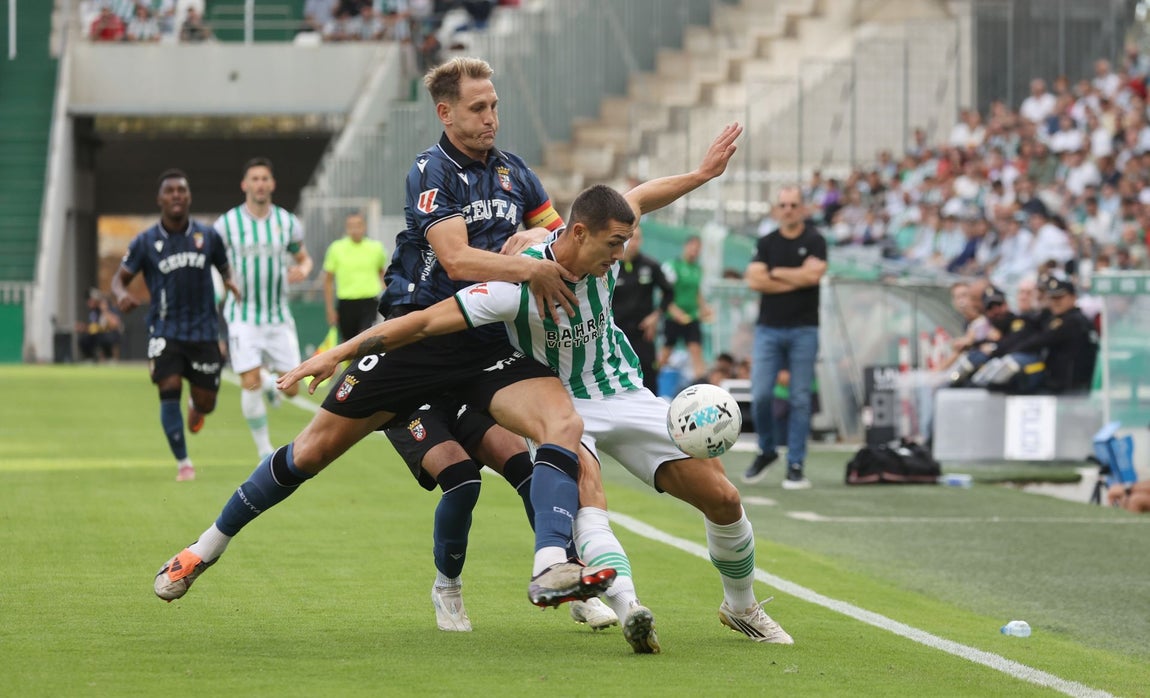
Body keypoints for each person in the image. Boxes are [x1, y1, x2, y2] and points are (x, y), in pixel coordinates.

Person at [282, 123, 795, 650]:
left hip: (624, 391)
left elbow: (641, 196)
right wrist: (336, 354)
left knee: (724, 498)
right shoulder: (514, 283)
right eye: (613, 244)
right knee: (589, 497)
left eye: (624, 241)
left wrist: (703, 174)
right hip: (557, 403)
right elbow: (418, 324)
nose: (620, 254)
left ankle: (741, 607)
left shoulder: (608, 231)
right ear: (579, 234)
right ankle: (632, 608)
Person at [153, 58, 617, 626]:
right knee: (311, 452)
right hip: (414, 340)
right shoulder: (430, 171)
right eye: (478, 107)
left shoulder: (516, 173)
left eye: (494, 105)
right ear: (446, 113)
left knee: (546, 441)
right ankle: (203, 549)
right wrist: (528, 269)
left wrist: (542, 235)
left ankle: (564, 576)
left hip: (486, 342)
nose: (492, 117)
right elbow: (456, 259)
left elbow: (556, 232)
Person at [111, 169, 241, 481]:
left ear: (189, 196)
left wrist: (231, 282)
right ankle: (183, 462)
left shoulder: (208, 236)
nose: (176, 196)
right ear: (160, 199)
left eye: (181, 190)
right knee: (168, 387)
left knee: (207, 403)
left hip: (204, 331)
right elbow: (119, 279)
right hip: (165, 329)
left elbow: (225, 268)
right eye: (170, 191)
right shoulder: (145, 242)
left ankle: (197, 405)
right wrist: (121, 295)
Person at [213, 157, 313, 459]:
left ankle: (271, 384)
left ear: (272, 184)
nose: (259, 184)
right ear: (245, 185)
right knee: (249, 381)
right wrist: (221, 284)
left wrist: (305, 269)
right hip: (242, 314)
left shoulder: (286, 222)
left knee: (293, 388)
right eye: (254, 179)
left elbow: (302, 257)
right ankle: (263, 449)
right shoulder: (227, 223)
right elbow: (212, 261)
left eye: (264, 179)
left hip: (278, 316)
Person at [742, 186, 828, 489]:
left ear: (802, 208)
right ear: (776, 209)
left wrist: (775, 273)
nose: (788, 209)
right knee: (762, 394)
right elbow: (754, 280)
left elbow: (814, 276)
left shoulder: (815, 240)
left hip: (804, 329)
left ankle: (795, 463)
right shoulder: (766, 242)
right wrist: (796, 277)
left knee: (800, 399)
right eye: (783, 204)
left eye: (793, 204)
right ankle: (767, 450)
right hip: (769, 329)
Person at [970, 275, 1098, 394]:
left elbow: (1038, 341)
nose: (1055, 302)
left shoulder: (1071, 321)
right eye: (1052, 297)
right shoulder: (1062, 318)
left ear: (1073, 297)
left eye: (1059, 297)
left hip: (1069, 388)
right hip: (1067, 385)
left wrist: (1002, 350)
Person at [612, 223, 675, 393]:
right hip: (615, 335)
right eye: (630, 238)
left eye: (637, 238)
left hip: (643, 334)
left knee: (648, 377)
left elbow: (669, 292)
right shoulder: (610, 266)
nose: (634, 243)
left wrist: (656, 316)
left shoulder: (650, 265)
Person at [322, 211, 387, 343]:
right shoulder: (336, 248)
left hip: (369, 300)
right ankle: (349, 364)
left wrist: (387, 297)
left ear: (364, 227)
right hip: (346, 302)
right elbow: (328, 280)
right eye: (351, 226)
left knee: (365, 339)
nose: (355, 229)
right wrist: (329, 309)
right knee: (348, 342)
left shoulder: (376, 248)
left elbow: (382, 273)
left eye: (358, 225)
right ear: (346, 228)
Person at [658, 235, 713, 383]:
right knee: (665, 353)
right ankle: (651, 380)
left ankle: (702, 385)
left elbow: (697, 292)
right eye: (692, 247)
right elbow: (663, 292)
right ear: (685, 246)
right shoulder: (673, 265)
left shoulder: (697, 269)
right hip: (673, 317)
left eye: (698, 249)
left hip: (692, 317)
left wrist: (704, 308)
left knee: (696, 350)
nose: (694, 251)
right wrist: (674, 311)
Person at [76, 290, 122, 363]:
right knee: (84, 339)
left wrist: (104, 310)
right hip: (98, 335)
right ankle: (90, 358)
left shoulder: (111, 308)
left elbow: (115, 324)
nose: (89, 302)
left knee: (106, 337)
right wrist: (84, 328)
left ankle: (110, 358)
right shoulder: (94, 312)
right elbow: (93, 327)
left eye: (91, 300)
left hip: (111, 335)